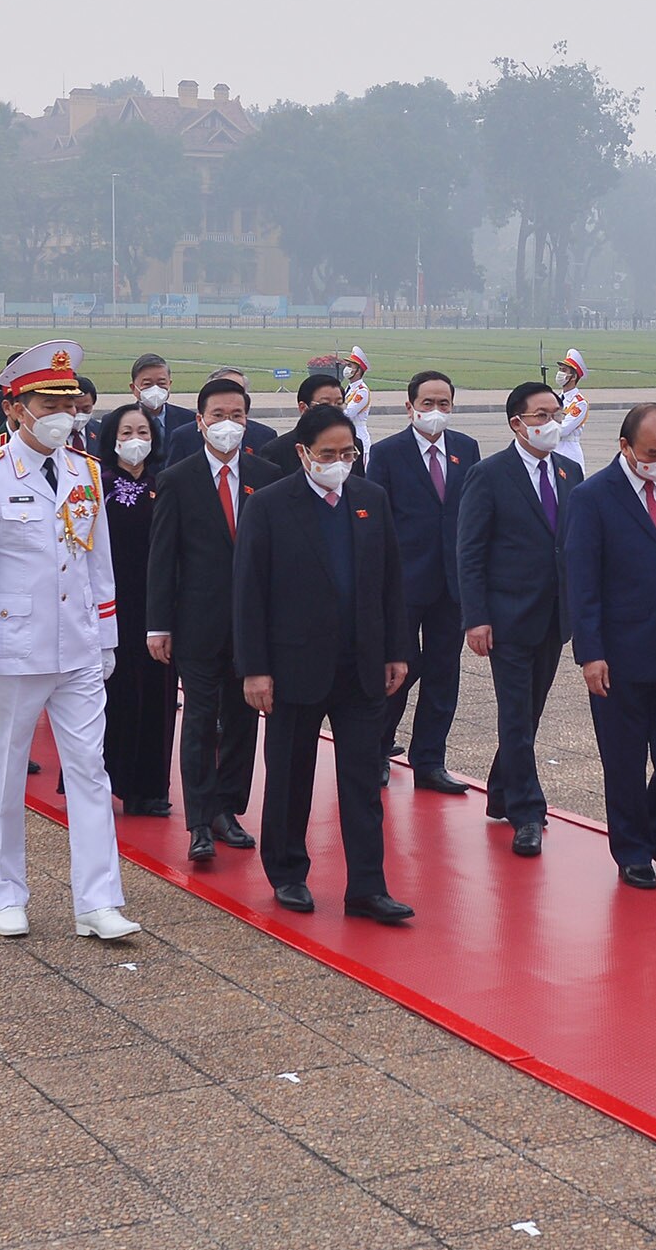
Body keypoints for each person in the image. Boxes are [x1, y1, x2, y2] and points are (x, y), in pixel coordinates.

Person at [0, 340, 138, 942]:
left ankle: (98, 901)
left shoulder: (85, 470)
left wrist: (106, 634)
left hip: (78, 645)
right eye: (48, 401)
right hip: (12, 651)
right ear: (16, 408)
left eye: (69, 400)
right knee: (4, 776)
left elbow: (100, 559)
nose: (63, 411)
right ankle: (5, 893)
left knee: (90, 772)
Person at [235, 405, 413, 923]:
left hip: (360, 666)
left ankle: (367, 886)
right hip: (293, 667)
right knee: (291, 774)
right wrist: (255, 668)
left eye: (348, 453)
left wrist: (395, 651)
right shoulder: (269, 505)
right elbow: (249, 593)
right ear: (303, 454)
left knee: (362, 779)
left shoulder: (370, 499)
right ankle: (288, 872)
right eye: (328, 454)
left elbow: (390, 582)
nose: (339, 463)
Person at [563, 403, 656, 888]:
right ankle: (631, 848)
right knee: (625, 759)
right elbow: (581, 579)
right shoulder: (592, 497)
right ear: (625, 447)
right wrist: (590, 652)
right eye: (653, 453)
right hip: (622, 652)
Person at [148, 375, 284, 861]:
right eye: (219, 416)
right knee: (202, 721)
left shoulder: (266, 477)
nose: (229, 425)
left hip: (252, 629)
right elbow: (162, 559)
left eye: (238, 416)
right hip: (196, 625)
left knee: (245, 719)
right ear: (200, 421)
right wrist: (158, 624)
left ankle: (229, 808)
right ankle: (200, 821)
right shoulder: (177, 479)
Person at [456, 380, 583, 855]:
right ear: (517, 423)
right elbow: (469, 551)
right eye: (541, 415)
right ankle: (527, 811)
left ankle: (500, 790)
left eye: (556, 412)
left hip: (554, 616)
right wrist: (476, 617)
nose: (551, 422)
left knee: (529, 710)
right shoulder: (490, 475)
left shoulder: (570, 472)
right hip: (507, 616)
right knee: (514, 712)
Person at [364, 369, 476, 795]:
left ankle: (430, 759)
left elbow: (471, 513)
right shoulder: (389, 453)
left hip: (451, 583)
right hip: (405, 583)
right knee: (399, 668)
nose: (435, 412)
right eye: (427, 404)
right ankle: (377, 748)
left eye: (443, 404)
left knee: (444, 673)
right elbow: (378, 519)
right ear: (409, 406)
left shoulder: (465, 448)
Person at [98, 400, 178, 817]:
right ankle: (109, 778)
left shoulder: (166, 483)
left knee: (157, 697)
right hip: (111, 603)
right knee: (115, 694)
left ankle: (150, 787)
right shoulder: (96, 482)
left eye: (143, 433)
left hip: (157, 603)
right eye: (127, 433)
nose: (135, 441)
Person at [161, 367, 278, 466]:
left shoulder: (265, 436)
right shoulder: (183, 437)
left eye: (236, 390)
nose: (228, 397)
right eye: (218, 415)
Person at [89, 353, 194, 458]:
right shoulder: (113, 421)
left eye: (161, 383)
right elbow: (105, 461)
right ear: (133, 388)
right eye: (147, 384)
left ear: (169, 384)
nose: (155, 389)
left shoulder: (188, 420)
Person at [257, 374, 347, 473]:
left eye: (338, 404)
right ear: (303, 408)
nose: (333, 411)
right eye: (325, 404)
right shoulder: (276, 451)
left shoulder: (353, 447)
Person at [551, 347, 593, 468]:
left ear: (573, 377)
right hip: (554, 451)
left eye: (564, 370)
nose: (560, 373)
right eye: (560, 370)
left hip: (569, 453)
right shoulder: (557, 399)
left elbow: (563, 430)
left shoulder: (579, 403)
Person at [340, 346, 375, 455]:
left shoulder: (361, 391)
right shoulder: (350, 388)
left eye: (350, 366)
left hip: (358, 433)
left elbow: (348, 413)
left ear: (358, 371)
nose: (347, 368)